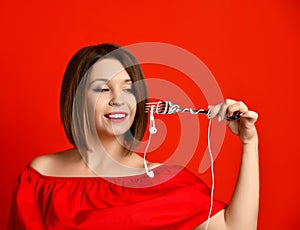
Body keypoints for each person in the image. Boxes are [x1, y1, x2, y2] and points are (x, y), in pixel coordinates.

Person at [7, 43, 259, 230]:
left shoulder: (163, 182)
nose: (118, 99)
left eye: (128, 89)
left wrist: (249, 142)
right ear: (77, 100)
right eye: (103, 88)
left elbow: (235, 228)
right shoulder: (40, 178)